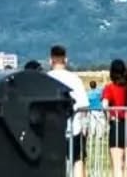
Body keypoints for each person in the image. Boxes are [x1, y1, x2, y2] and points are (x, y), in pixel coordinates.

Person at [47, 44, 90, 177]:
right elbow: (84, 105)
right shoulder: (75, 79)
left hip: (51, 130)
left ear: (50, 60)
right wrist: (84, 124)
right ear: (66, 60)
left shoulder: (45, 79)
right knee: (77, 160)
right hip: (73, 128)